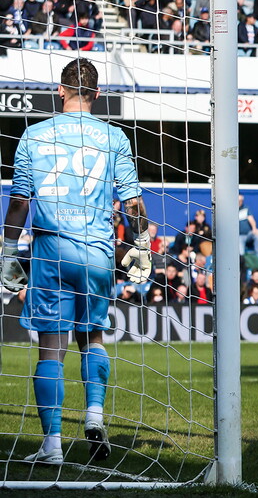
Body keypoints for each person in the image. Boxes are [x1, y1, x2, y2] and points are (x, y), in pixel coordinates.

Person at [1, 59, 151, 465]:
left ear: (60, 90)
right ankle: (95, 417)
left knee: (51, 348)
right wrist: (141, 245)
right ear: (97, 94)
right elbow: (133, 203)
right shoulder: (114, 136)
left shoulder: (33, 135)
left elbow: (19, 203)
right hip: (97, 253)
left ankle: (52, 445)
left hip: (51, 252)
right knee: (93, 338)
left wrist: (8, 253)